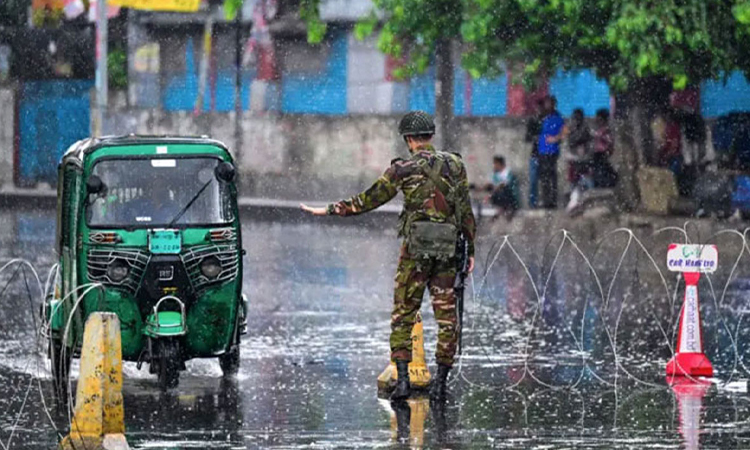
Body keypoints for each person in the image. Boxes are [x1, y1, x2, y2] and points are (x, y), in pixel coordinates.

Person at [300, 111, 476, 401]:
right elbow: (466, 212)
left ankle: (404, 381)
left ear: (408, 139)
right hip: (448, 253)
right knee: (447, 319)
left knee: (403, 315)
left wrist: (330, 209)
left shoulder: (402, 169)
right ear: (430, 136)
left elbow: (368, 200)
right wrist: (470, 250)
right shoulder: (455, 165)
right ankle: (442, 383)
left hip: (415, 254)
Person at [538, 96, 565, 208]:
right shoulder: (543, 117)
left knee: (551, 176)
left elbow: (564, 131)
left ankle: (552, 201)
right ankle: (545, 200)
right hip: (542, 150)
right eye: (546, 103)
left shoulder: (558, 117)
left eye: (549, 103)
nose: (547, 105)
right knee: (544, 177)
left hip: (552, 151)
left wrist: (555, 139)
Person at [565, 108, 592, 212]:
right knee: (574, 183)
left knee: (585, 183)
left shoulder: (584, 129)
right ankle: (575, 203)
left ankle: (580, 203)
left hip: (583, 161)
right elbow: (570, 142)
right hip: (575, 160)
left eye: (577, 118)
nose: (576, 120)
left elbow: (583, 141)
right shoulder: (572, 129)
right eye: (574, 118)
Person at [525, 99, 545, 208]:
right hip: (536, 154)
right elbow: (527, 137)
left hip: (547, 155)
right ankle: (533, 203)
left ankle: (543, 202)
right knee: (533, 180)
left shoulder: (548, 121)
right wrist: (536, 138)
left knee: (545, 181)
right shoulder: (533, 121)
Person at [486, 155, 520, 220]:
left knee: (504, 190)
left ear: (499, 163)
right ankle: (502, 209)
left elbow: (505, 184)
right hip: (501, 197)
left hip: (511, 197)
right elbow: (491, 184)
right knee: (493, 192)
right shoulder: (495, 174)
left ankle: (507, 209)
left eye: (495, 164)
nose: (494, 166)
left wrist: (493, 192)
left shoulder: (508, 172)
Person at [591, 108, 617, 188]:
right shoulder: (600, 129)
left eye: (599, 119)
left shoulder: (606, 130)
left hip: (602, 152)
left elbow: (609, 141)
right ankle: (599, 183)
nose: (597, 120)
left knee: (602, 168)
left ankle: (605, 182)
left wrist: (598, 136)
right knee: (598, 168)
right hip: (597, 152)